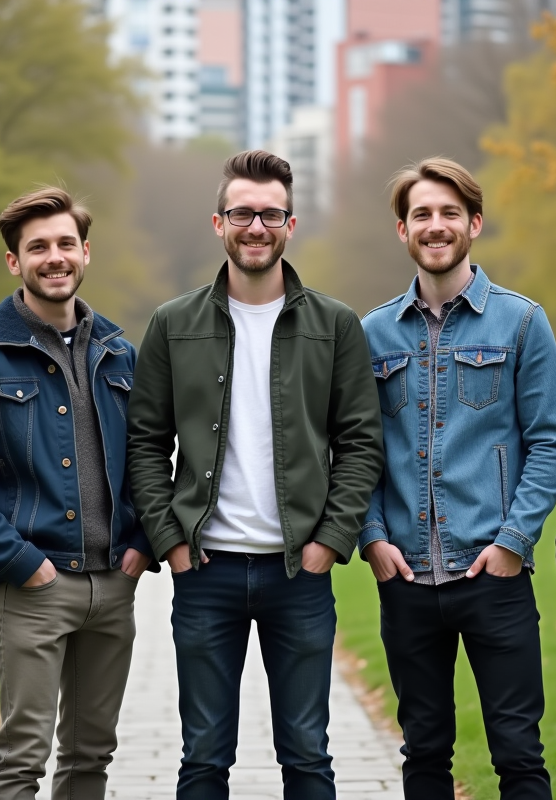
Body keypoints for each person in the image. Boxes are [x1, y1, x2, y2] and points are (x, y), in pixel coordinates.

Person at [126, 149, 384, 800]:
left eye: (271, 214)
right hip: (205, 571)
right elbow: (145, 442)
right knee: (204, 758)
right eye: (242, 212)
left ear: (291, 224)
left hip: (299, 572)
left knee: (307, 755)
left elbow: (360, 442)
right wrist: (173, 545)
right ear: (219, 223)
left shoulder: (336, 325)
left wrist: (330, 541)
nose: (256, 226)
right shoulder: (173, 323)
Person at [0, 186, 152, 799]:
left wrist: (139, 543)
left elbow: (146, 459)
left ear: (85, 252)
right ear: (14, 262)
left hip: (113, 584)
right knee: (22, 756)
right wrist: (20, 562)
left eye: (64, 244)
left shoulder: (120, 354)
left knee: (90, 756)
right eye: (37, 248)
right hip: (33, 586)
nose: (54, 257)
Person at [359, 157, 556, 800]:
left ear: (474, 223)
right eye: (421, 213)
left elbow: (551, 445)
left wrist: (512, 545)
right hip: (407, 581)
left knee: (518, 753)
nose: (436, 225)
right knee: (423, 750)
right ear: (402, 229)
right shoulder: (371, 335)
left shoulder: (523, 323)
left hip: (493, 576)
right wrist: (371, 539)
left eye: (450, 212)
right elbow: (356, 450)